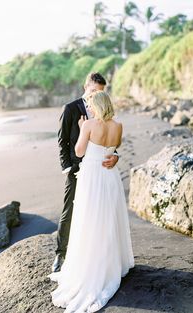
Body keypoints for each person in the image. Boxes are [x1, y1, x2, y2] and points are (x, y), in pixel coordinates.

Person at [47, 90, 135, 312]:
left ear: (97, 105)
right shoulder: (118, 126)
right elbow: (114, 149)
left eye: (92, 105)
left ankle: (92, 265)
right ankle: (112, 263)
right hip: (110, 177)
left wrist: (82, 127)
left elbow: (78, 151)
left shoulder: (88, 124)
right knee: (109, 218)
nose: (90, 108)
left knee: (89, 219)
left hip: (92, 176)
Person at [52, 73, 119, 272]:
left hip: (100, 169)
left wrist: (115, 156)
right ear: (85, 87)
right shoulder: (71, 108)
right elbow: (62, 140)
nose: (95, 96)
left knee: (98, 211)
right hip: (77, 169)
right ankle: (61, 254)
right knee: (69, 210)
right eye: (93, 91)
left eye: (100, 92)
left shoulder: (105, 110)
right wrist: (67, 166)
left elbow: (110, 139)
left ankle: (96, 255)